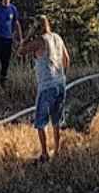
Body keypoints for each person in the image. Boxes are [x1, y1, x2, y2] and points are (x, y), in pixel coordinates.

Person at [26, 16, 70, 162]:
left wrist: (27, 35)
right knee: (56, 120)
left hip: (46, 85)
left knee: (41, 121)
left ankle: (45, 154)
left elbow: (20, 51)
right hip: (60, 83)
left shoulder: (40, 41)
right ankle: (57, 150)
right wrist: (62, 76)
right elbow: (67, 59)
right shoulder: (58, 37)